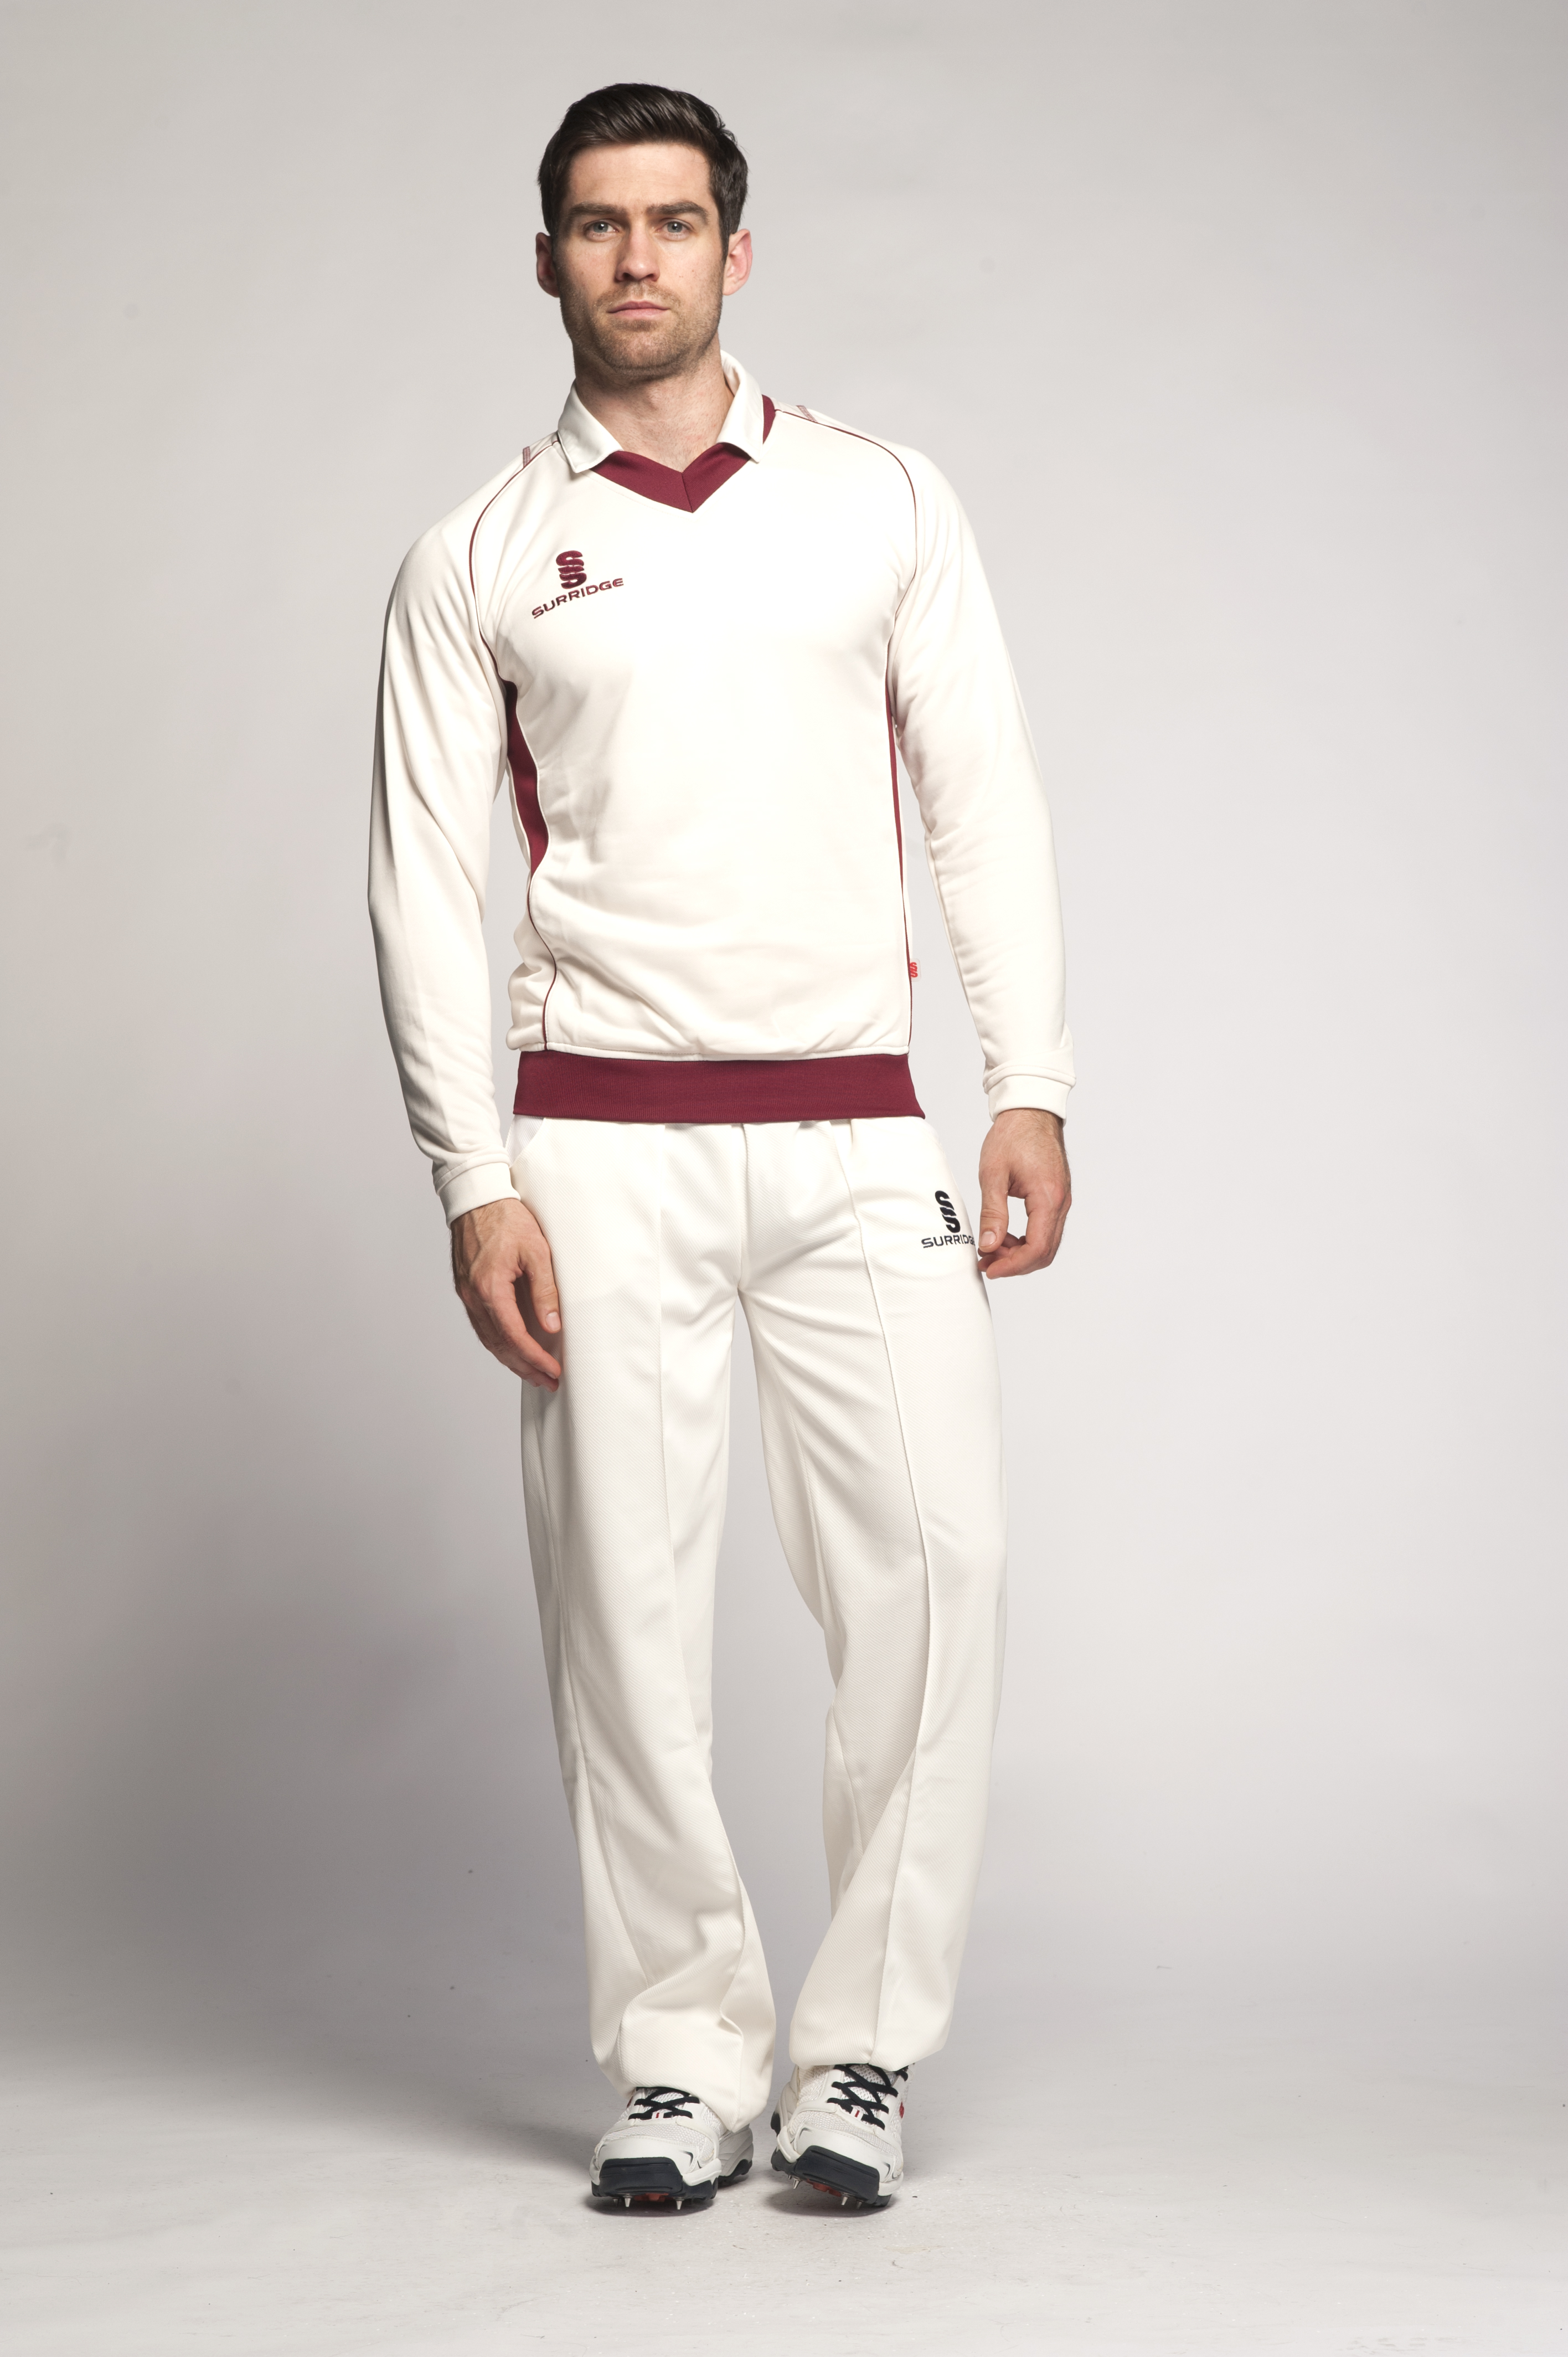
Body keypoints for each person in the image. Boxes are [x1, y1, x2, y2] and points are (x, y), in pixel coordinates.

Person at [369, 81, 1074, 2213]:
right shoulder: (477, 556)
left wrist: (1030, 1075)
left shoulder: (882, 500)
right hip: (598, 1149)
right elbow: (423, 888)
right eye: (600, 224)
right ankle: (683, 2060)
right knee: (626, 1623)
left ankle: (858, 2056)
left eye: (675, 222)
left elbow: (983, 797)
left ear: (735, 253)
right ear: (548, 257)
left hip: (859, 1126)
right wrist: (473, 1175)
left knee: (937, 1578)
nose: (639, 259)